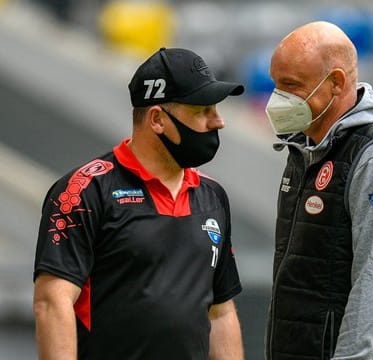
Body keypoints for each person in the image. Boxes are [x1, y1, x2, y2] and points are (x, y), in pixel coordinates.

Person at [32, 47, 245, 360]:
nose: (218, 121)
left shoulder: (213, 195)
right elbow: (52, 302)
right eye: (203, 110)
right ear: (157, 118)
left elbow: (220, 312)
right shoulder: (85, 191)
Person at [263, 21, 373, 359]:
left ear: (335, 82)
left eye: (290, 85)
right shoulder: (305, 149)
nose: (278, 98)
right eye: (277, 84)